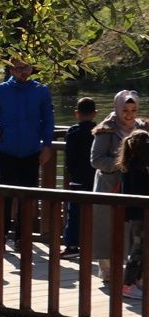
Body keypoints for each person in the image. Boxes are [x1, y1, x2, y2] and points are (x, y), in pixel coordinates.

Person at [0, 56, 55, 246]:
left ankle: (22, 237)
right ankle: (1, 234)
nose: (23, 71)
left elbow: (48, 119)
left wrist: (47, 145)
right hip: (6, 150)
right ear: (11, 71)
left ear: (32, 69)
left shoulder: (41, 90)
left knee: (27, 197)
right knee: (5, 194)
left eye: (26, 67)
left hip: (31, 151)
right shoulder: (3, 89)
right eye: (18, 68)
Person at [90, 90, 148, 281]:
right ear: (117, 108)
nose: (130, 114)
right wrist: (123, 164)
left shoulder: (142, 128)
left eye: (133, 110)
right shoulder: (106, 129)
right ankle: (107, 272)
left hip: (133, 186)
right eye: (125, 110)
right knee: (107, 228)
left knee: (132, 229)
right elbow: (96, 160)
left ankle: (130, 273)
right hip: (109, 185)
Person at [61, 97, 98, 258]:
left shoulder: (73, 132)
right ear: (95, 113)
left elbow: (69, 157)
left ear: (76, 113)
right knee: (95, 211)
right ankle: (93, 243)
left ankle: (72, 245)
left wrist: (71, 171)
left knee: (74, 213)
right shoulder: (99, 131)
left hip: (77, 178)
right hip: (95, 177)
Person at [117, 129, 149, 300]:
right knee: (137, 249)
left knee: (140, 248)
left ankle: (135, 280)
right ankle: (128, 284)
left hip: (136, 213)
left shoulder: (129, 163)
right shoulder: (138, 167)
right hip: (140, 214)